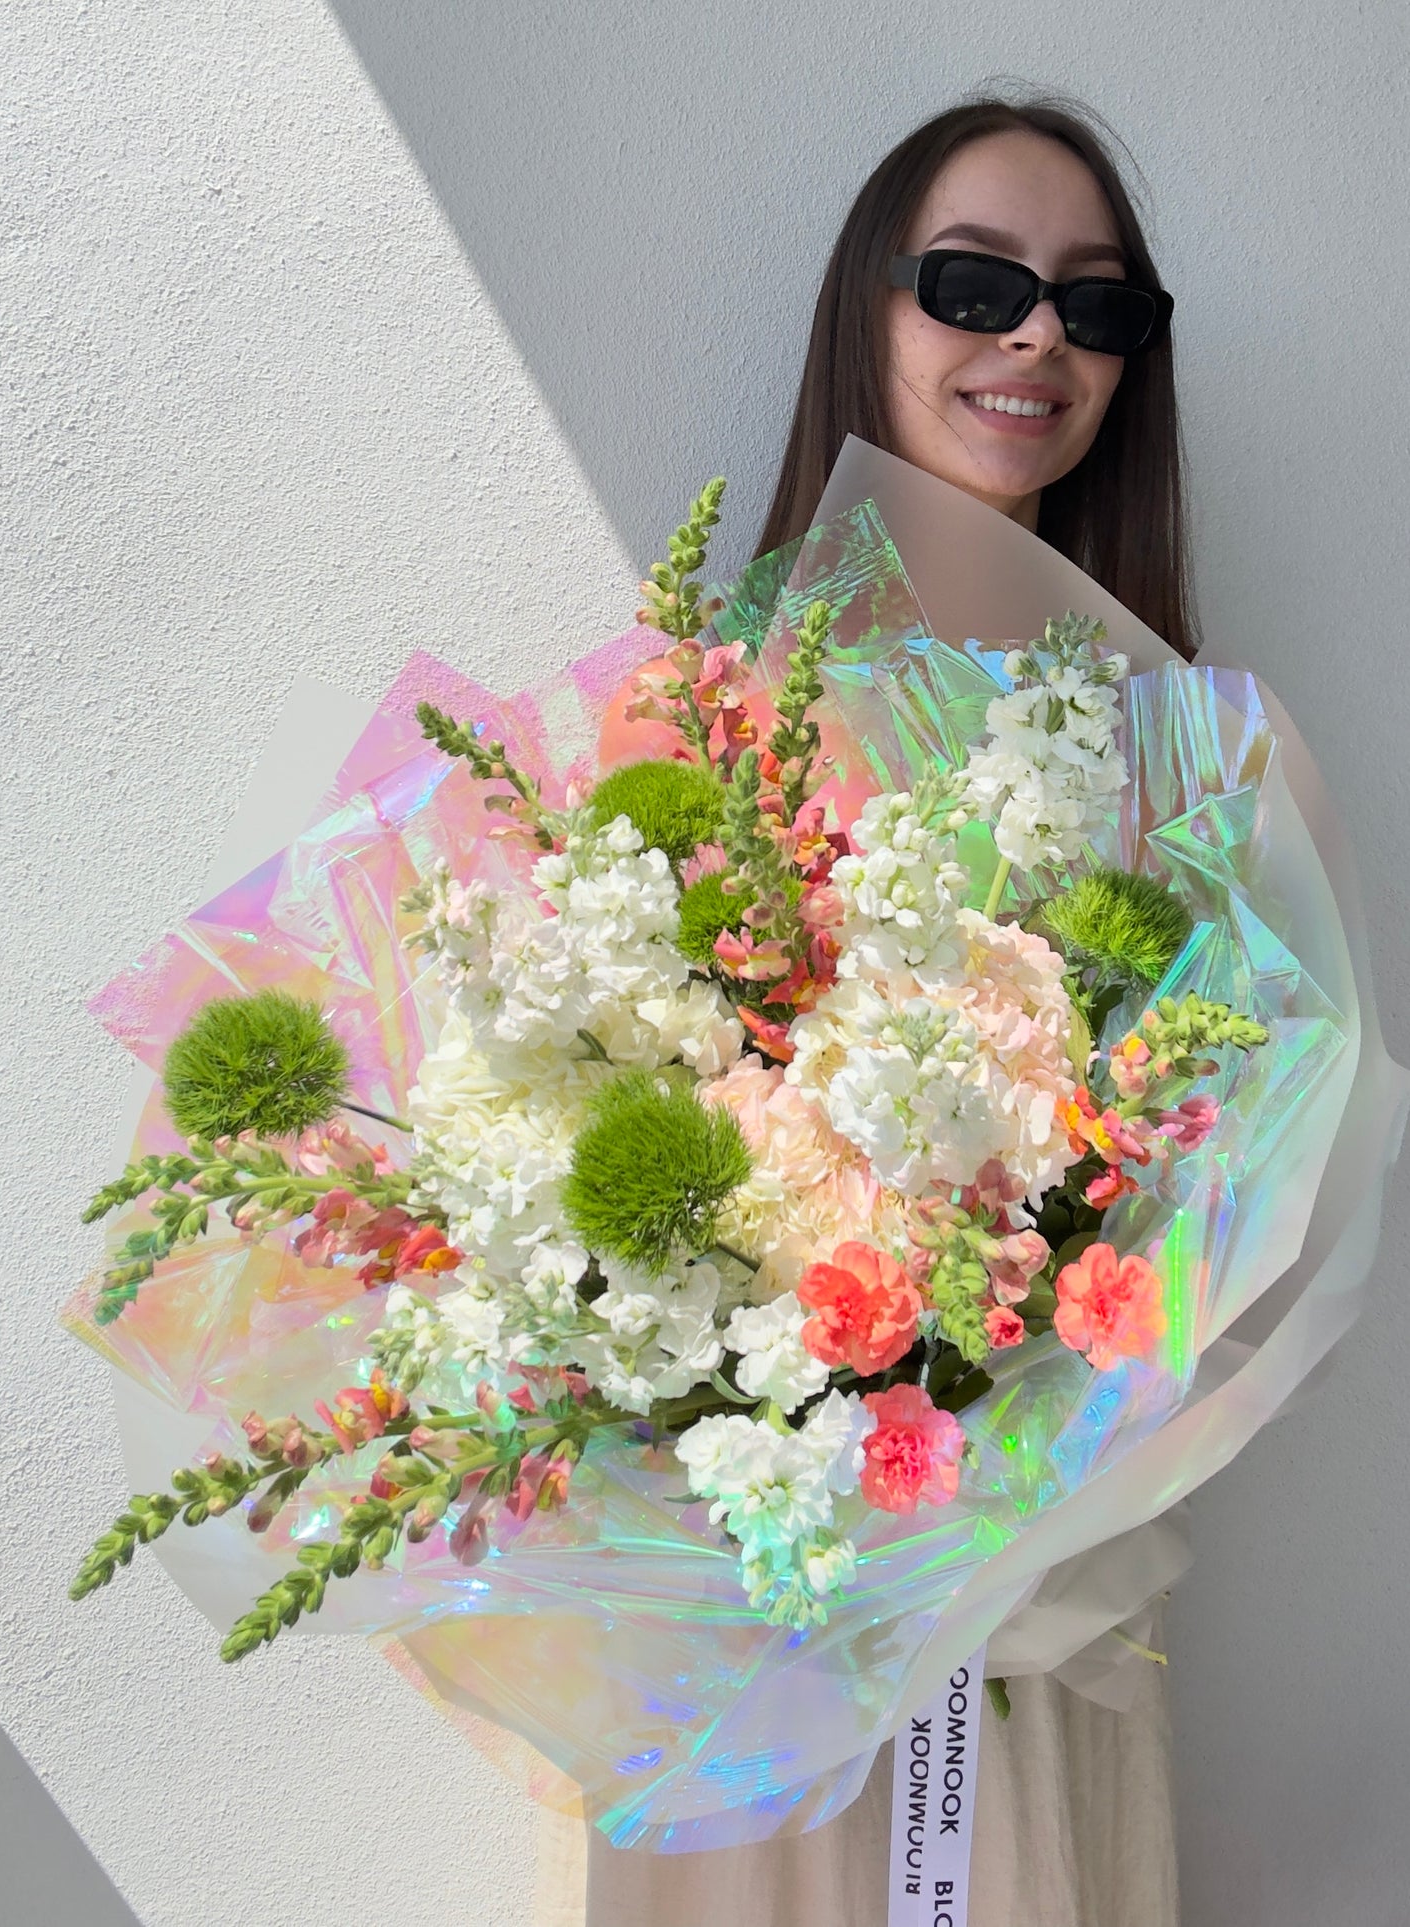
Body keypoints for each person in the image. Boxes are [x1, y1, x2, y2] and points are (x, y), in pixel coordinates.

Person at [576, 92, 1188, 1927]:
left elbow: (1228, 1190)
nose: (1034, 337)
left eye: (1096, 306)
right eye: (975, 281)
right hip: (750, 1594)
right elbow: (597, 1124)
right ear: (870, 308)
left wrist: (1019, 1417)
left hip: (1035, 1584)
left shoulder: (1188, 750)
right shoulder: (697, 712)